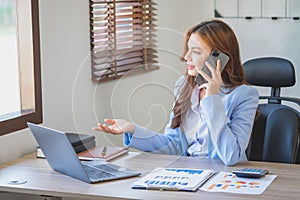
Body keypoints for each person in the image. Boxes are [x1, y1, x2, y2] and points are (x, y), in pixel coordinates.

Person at [93, 19, 259, 166]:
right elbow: (173, 146)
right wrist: (132, 129)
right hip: (189, 174)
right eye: (188, 49)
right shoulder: (184, 86)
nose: (186, 57)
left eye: (196, 51)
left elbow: (232, 156)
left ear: (218, 57)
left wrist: (212, 98)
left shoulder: (244, 96)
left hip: (222, 180)